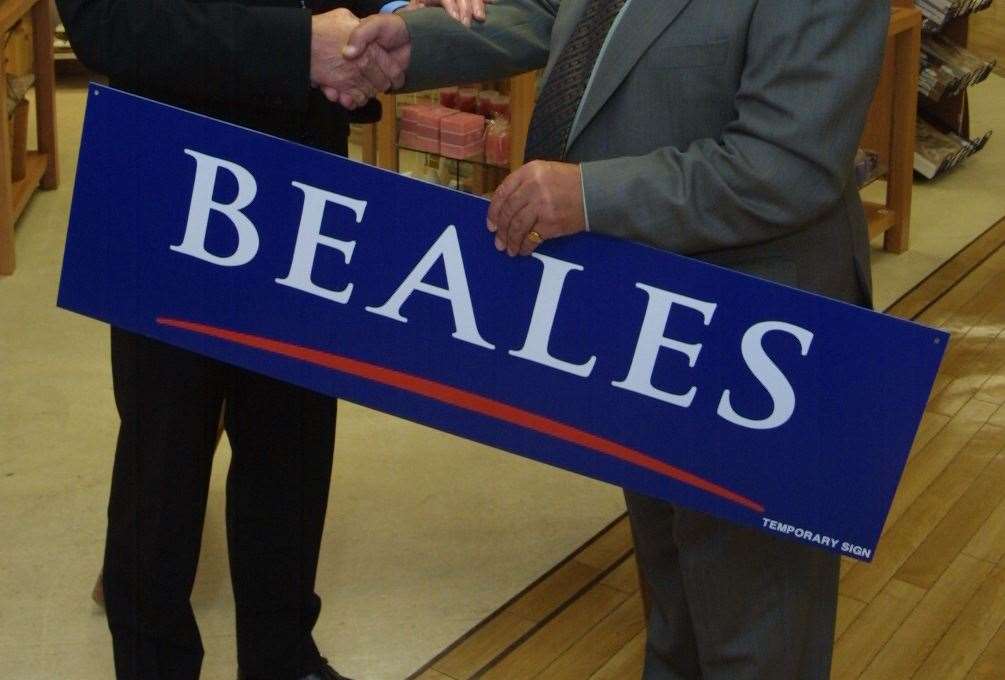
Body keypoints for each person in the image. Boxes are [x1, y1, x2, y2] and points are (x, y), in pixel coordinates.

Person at [340, 2, 889, 677]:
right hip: (643, 313)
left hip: (759, 342)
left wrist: (592, 198)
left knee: (755, 628)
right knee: (673, 599)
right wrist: (416, 44)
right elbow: (563, 10)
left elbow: (785, 165)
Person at [56, 1, 480, 678]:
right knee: (163, 449)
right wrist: (299, 48)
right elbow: (107, 20)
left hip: (304, 178)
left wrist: (392, 22)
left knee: (293, 437)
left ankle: (284, 656)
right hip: (169, 173)